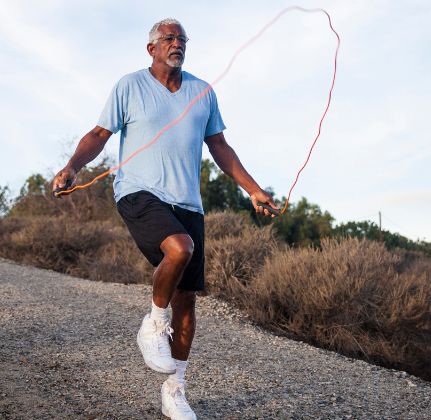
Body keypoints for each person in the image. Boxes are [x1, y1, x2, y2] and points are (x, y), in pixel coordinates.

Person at [52, 18, 278, 419]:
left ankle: (175, 391)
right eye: (169, 39)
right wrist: (72, 165)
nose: (177, 44)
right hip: (139, 192)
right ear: (151, 48)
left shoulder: (202, 91)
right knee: (179, 248)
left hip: (188, 203)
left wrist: (254, 189)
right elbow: (99, 134)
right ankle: (152, 325)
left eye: (182, 39)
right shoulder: (130, 86)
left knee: (187, 302)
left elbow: (220, 146)